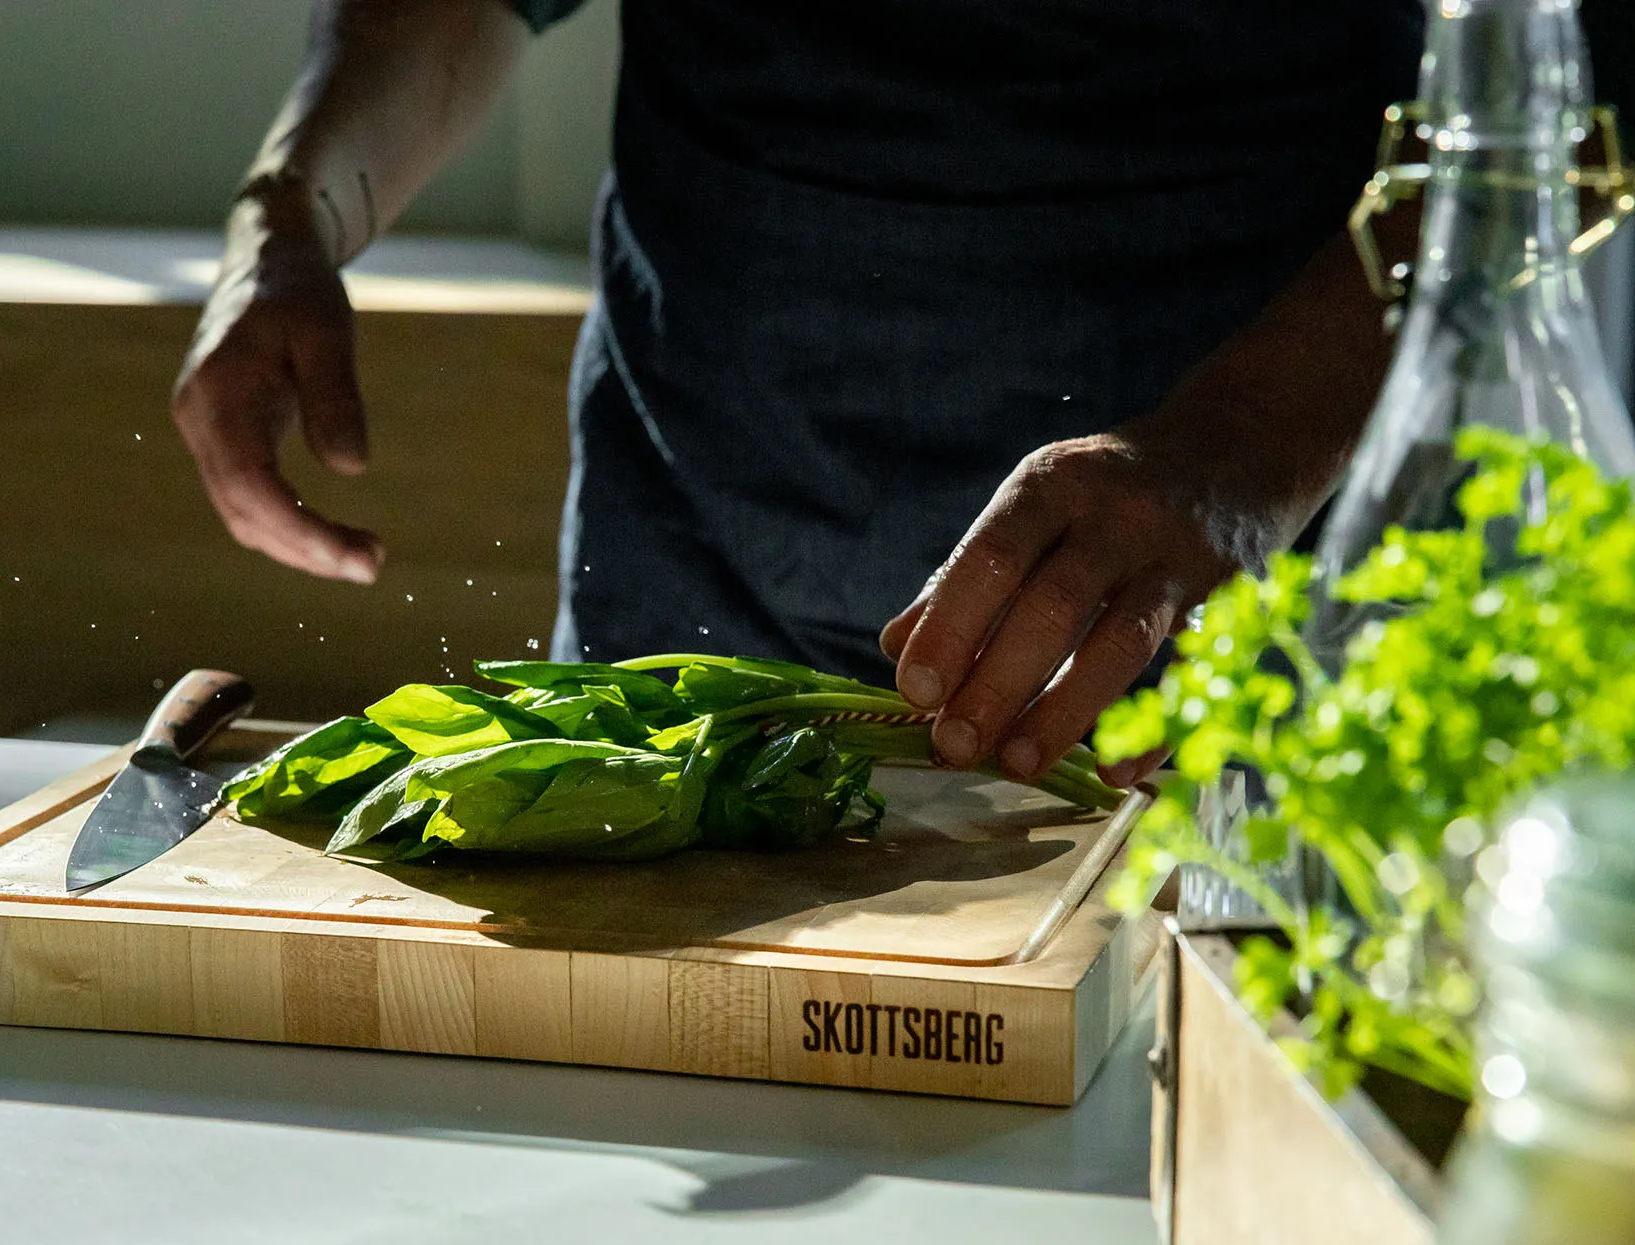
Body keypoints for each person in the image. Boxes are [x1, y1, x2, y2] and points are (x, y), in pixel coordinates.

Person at [169, 0, 1615, 790]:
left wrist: (1234, 457)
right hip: (699, 544)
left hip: (1266, 575)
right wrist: (292, 208)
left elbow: (1579, 89)